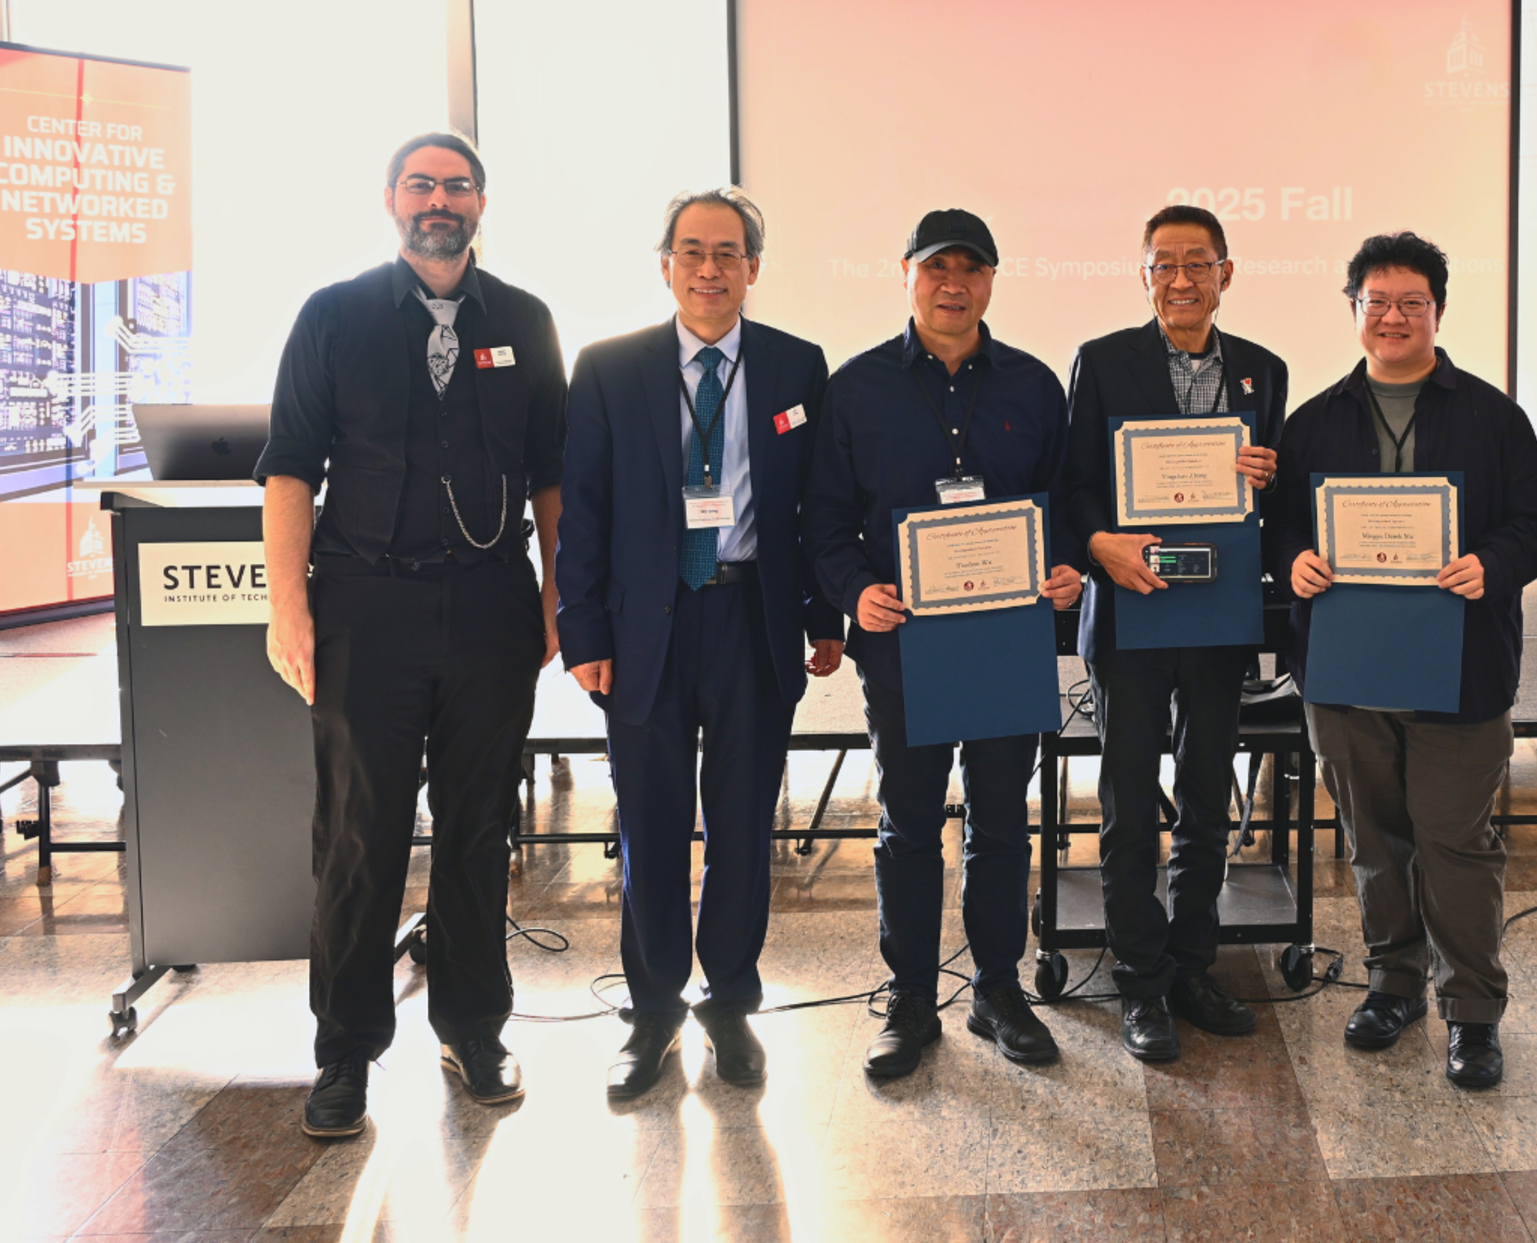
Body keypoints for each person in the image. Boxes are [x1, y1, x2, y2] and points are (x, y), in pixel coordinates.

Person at [257, 132, 566, 1137]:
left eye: (459, 185)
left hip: (489, 604)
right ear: (392, 198)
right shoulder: (334, 316)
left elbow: (554, 475)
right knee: (359, 835)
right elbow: (291, 469)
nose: (441, 198)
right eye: (423, 183)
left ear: (484, 203)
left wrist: (561, 597)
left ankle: (474, 1027)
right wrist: (287, 607)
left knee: (479, 828)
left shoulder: (525, 320)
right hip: (365, 608)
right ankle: (344, 1051)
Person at [555, 187, 848, 1099]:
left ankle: (730, 1003)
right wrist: (583, 632)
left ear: (754, 268)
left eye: (728, 253)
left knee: (742, 830)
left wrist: (824, 616)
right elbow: (583, 513)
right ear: (667, 265)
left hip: (751, 621)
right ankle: (652, 1014)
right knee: (648, 826)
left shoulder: (800, 367)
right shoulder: (608, 366)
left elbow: (816, 507)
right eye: (693, 252)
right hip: (646, 629)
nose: (711, 269)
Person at [1270, 231, 1537, 1090]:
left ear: (1437, 311)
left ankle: (1472, 1010)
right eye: (1377, 303)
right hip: (1347, 670)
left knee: (1456, 841)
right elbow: (1281, 524)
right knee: (1374, 840)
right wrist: (1293, 559)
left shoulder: (1493, 416)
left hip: (1461, 666)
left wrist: (1493, 564)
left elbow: (1534, 522)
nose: (1393, 318)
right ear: (1354, 309)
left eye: (1412, 304)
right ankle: (1393, 983)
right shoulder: (1313, 421)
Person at [803, 209, 1084, 1079]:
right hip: (903, 650)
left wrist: (1066, 568)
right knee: (908, 826)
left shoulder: (1036, 386)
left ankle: (998, 991)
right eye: (937, 268)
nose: (953, 283)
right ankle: (912, 997)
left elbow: (1063, 506)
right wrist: (856, 594)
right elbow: (822, 519)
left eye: (971, 268)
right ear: (906, 274)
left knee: (1003, 825)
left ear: (993, 281)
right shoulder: (854, 388)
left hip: (1005, 647)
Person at [1062, 205, 1288, 1063]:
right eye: (1165, 264)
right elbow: (1075, 484)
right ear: (1145, 276)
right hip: (1132, 609)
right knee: (1128, 801)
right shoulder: (1103, 361)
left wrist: (1266, 477)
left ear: (1226, 274)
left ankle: (1194, 962)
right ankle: (1139, 977)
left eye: (1199, 263)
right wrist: (1096, 544)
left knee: (1204, 795)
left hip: (1219, 614)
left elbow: (1266, 501)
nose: (1182, 280)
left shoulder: (1264, 372)